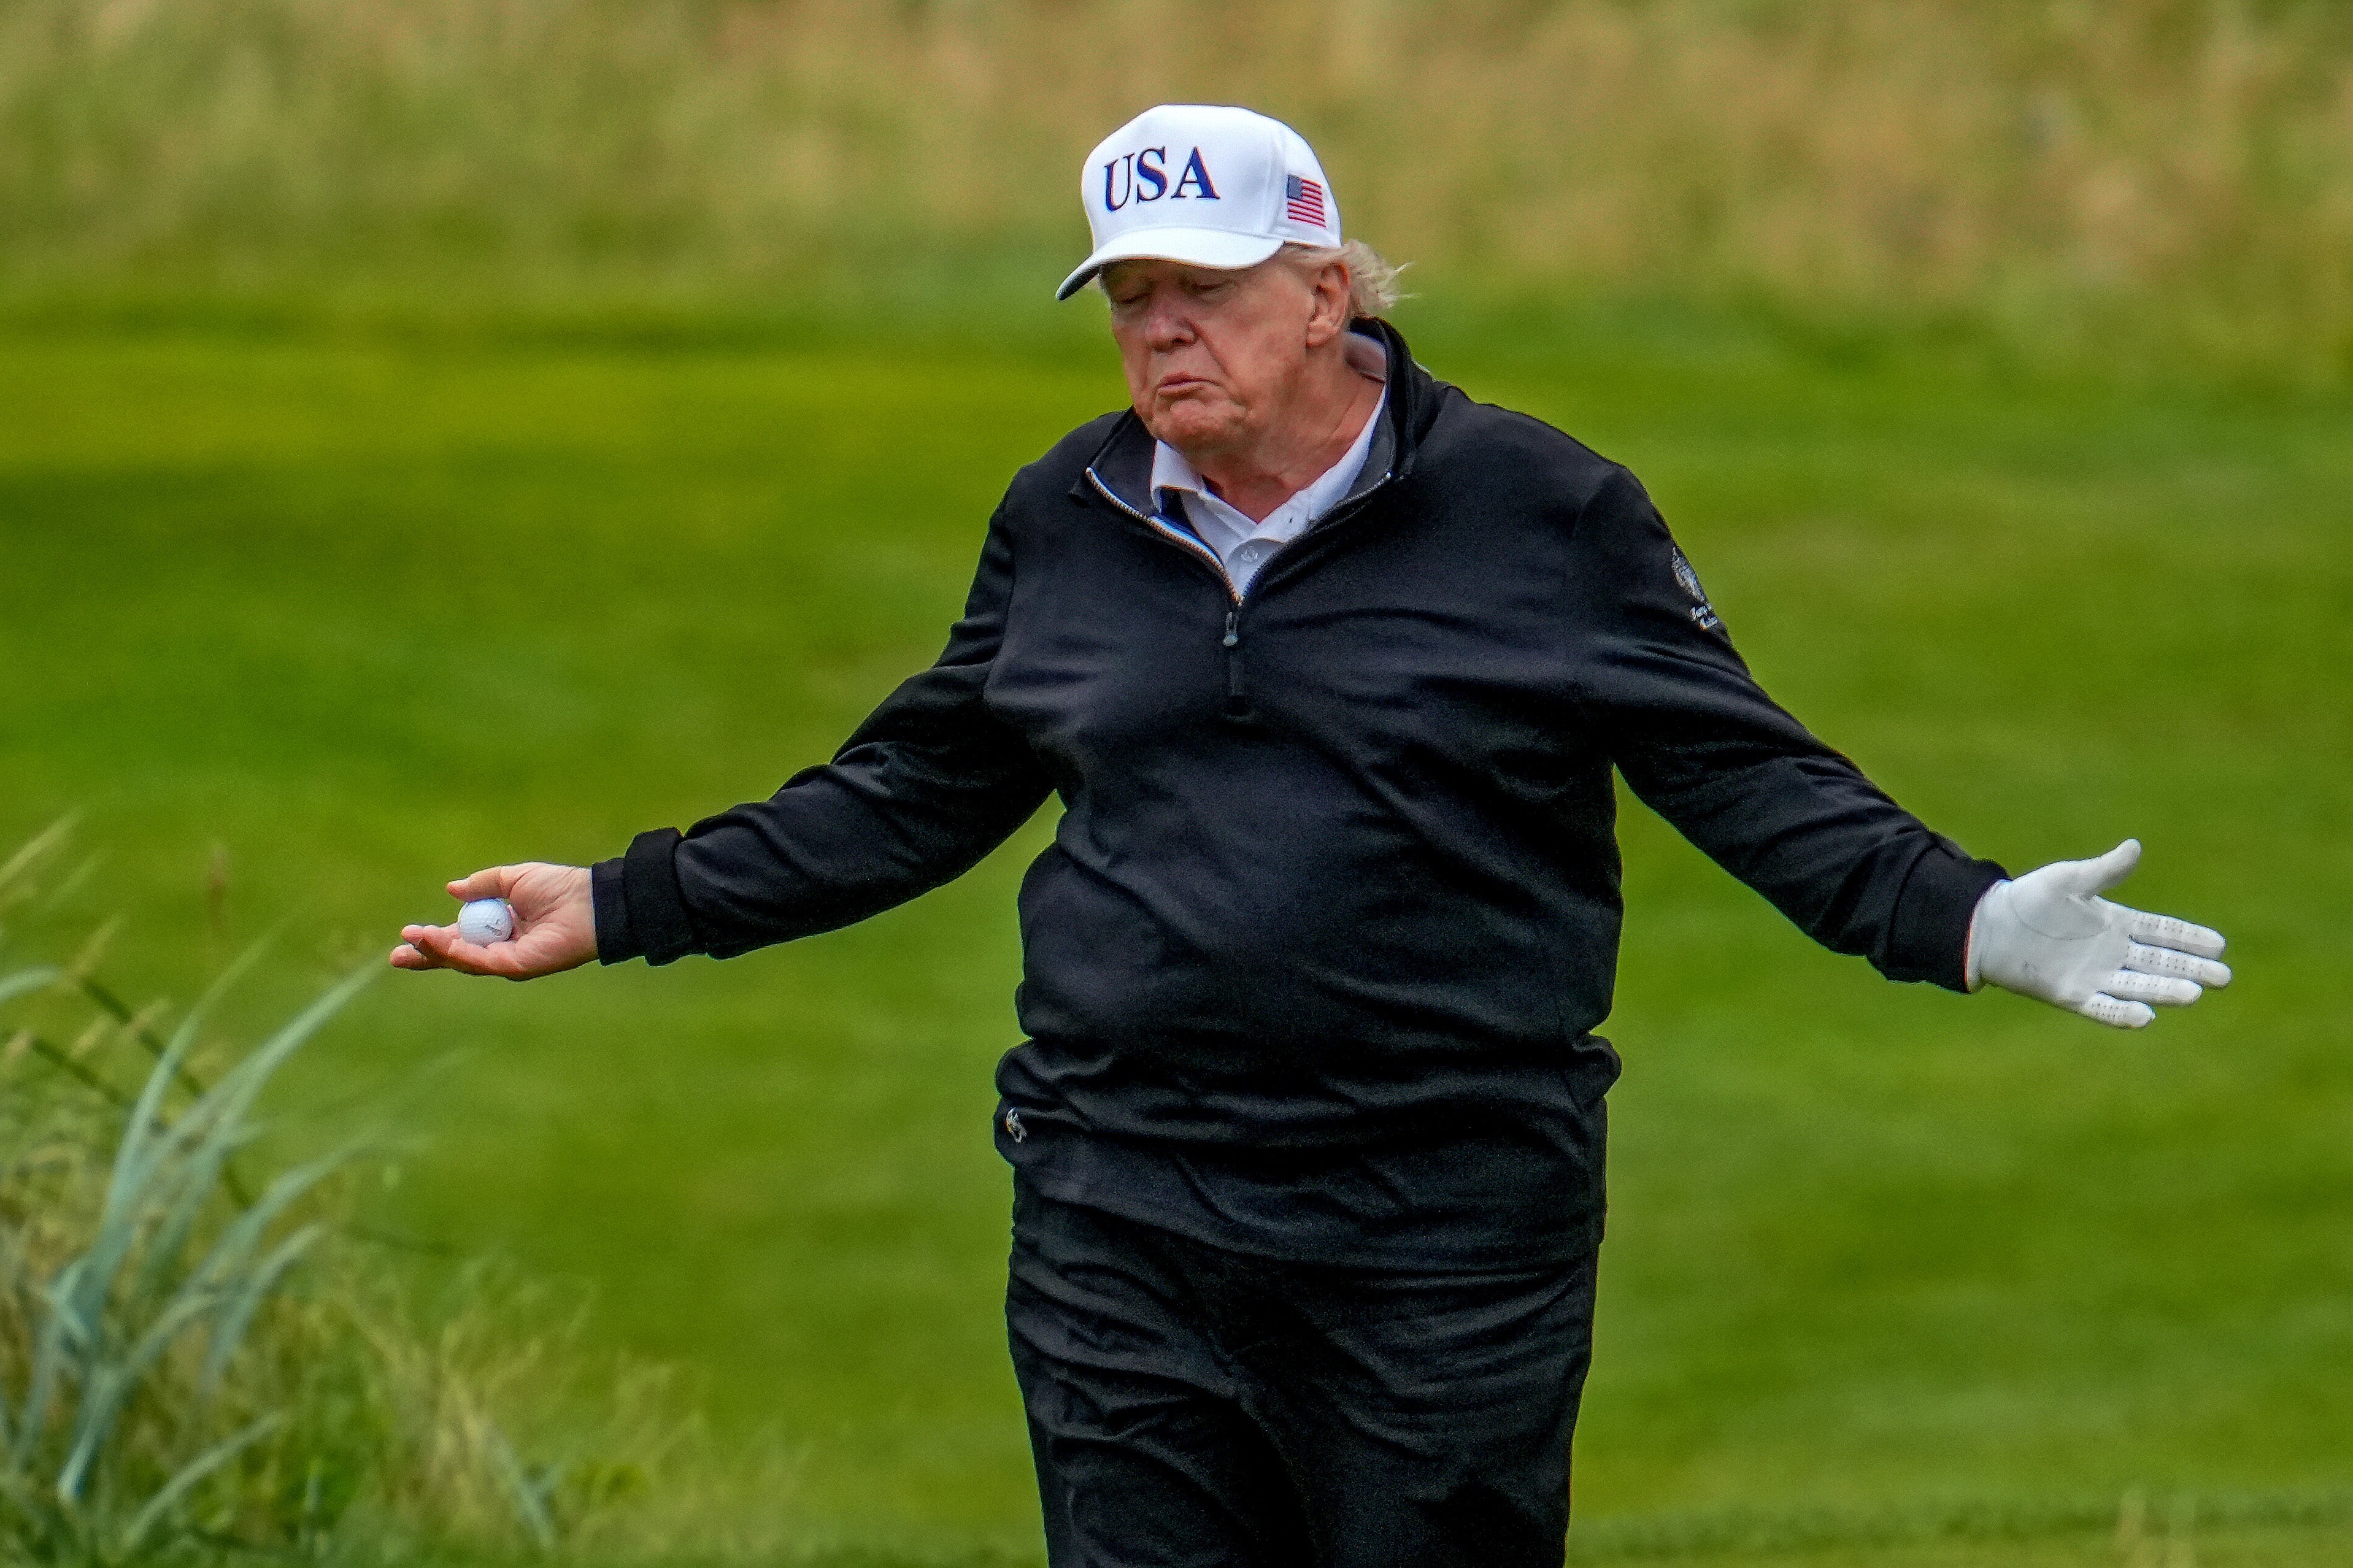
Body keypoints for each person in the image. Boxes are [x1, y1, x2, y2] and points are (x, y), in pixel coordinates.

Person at [392, 105, 2232, 1568]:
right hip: (1121, 1209)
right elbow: (916, 784)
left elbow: (1746, 774)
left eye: (1198, 285)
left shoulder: (1539, 512)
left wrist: (1974, 918)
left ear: (1326, 288)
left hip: (1441, 1233)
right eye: (1125, 295)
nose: (1158, 330)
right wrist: (626, 899)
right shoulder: (1072, 510)